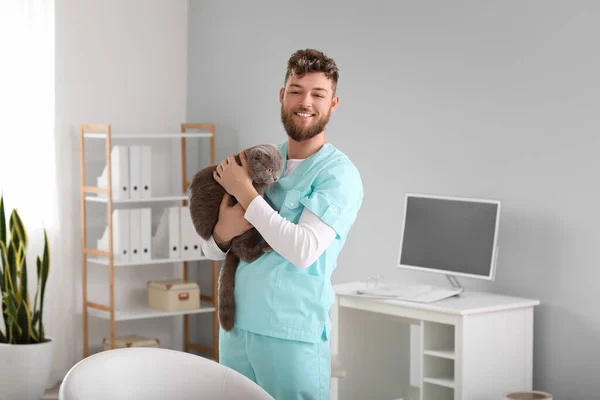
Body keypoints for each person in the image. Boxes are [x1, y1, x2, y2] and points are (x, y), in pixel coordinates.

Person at [199, 48, 364, 400]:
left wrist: (245, 193)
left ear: (333, 103)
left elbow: (303, 250)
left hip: (290, 336)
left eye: (317, 94)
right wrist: (223, 232)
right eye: (296, 90)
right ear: (282, 96)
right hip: (236, 327)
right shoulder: (262, 159)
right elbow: (210, 249)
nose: (305, 102)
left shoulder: (338, 175)